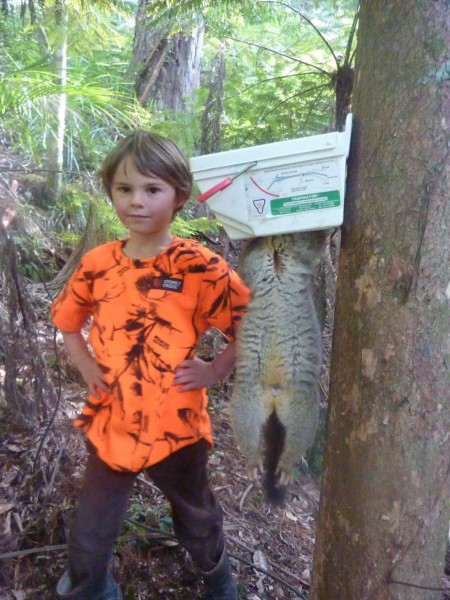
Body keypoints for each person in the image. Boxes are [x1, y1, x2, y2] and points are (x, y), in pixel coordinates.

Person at [51, 130, 250, 600]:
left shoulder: (200, 267)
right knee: (91, 531)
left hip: (176, 424)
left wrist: (214, 370)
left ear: (179, 194)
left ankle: (218, 580)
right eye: (124, 189)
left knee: (197, 519)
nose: (136, 202)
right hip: (113, 421)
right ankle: (90, 588)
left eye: (151, 189)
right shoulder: (99, 263)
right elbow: (67, 321)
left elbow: (252, 324)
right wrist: (86, 365)